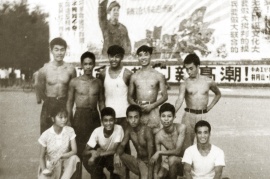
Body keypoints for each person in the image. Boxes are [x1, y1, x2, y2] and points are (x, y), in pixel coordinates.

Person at [66, 51, 105, 177]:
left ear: (94, 65)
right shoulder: (75, 82)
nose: (88, 66)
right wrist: (69, 120)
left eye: (90, 64)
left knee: (94, 148)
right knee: (77, 149)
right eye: (85, 64)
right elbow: (70, 101)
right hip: (79, 117)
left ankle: (96, 176)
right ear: (81, 65)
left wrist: (103, 120)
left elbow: (101, 101)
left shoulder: (98, 82)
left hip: (94, 117)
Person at [175, 53, 221, 147]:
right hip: (189, 116)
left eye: (191, 68)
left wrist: (209, 107)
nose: (188, 72)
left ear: (198, 66)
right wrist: (173, 112)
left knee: (203, 145)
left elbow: (218, 94)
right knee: (187, 147)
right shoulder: (185, 83)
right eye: (186, 69)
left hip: (203, 115)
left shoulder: (208, 81)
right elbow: (180, 99)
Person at [36, 37, 76, 134]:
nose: (59, 53)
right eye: (56, 50)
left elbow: (73, 90)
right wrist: (48, 101)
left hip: (64, 103)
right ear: (51, 51)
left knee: (66, 134)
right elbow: (39, 88)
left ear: (65, 51)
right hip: (49, 103)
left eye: (62, 50)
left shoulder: (70, 69)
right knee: (46, 133)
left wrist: (68, 106)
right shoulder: (44, 69)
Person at [128, 45, 168, 134]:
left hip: (153, 111)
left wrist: (152, 106)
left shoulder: (158, 75)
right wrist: (137, 107)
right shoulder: (134, 76)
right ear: (138, 57)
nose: (143, 58)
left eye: (146, 54)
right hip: (139, 111)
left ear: (150, 55)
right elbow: (129, 97)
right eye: (140, 55)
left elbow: (165, 96)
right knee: (141, 141)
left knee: (153, 141)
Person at [99, 45, 132, 147]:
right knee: (109, 146)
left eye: (117, 56)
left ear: (122, 57)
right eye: (111, 56)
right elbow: (101, 98)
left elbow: (132, 97)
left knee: (124, 146)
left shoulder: (127, 74)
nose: (114, 59)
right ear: (108, 56)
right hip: (109, 117)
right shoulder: (103, 73)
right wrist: (103, 114)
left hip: (124, 117)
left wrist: (129, 116)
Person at [38, 107, 80, 179]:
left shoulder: (70, 131)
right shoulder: (45, 135)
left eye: (65, 117)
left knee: (75, 158)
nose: (64, 120)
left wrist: (60, 156)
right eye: (60, 117)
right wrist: (45, 170)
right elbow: (41, 157)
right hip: (51, 166)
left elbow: (74, 151)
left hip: (66, 165)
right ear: (53, 119)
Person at [114, 104, 154, 179]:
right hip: (139, 162)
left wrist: (150, 173)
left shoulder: (147, 131)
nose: (133, 120)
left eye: (136, 117)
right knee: (119, 155)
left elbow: (150, 155)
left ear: (140, 118)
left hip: (150, 163)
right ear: (127, 119)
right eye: (130, 117)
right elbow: (122, 145)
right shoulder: (129, 130)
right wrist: (116, 155)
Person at [82, 107, 123, 179]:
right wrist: (92, 152)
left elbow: (115, 150)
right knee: (87, 160)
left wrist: (97, 154)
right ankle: (100, 176)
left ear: (115, 120)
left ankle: (114, 176)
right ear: (102, 121)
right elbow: (84, 152)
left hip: (112, 156)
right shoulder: (97, 131)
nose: (108, 123)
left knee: (116, 162)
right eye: (105, 121)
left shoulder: (119, 128)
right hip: (101, 156)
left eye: (111, 120)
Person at [150, 103, 186, 179]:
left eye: (169, 116)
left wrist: (159, 152)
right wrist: (155, 173)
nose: (166, 119)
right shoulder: (159, 136)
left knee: (172, 159)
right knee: (159, 176)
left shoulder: (181, 128)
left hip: (185, 161)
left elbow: (177, 151)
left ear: (174, 117)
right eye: (163, 116)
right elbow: (158, 159)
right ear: (159, 117)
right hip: (169, 162)